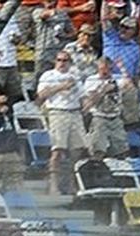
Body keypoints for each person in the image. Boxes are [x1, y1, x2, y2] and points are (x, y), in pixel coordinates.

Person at [37, 50, 87, 196]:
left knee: (77, 152)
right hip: (57, 112)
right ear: (55, 61)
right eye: (59, 60)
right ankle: (53, 185)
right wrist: (61, 87)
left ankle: (72, 184)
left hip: (75, 112)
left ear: (70, 62)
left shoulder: (75, 77)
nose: (62, 63)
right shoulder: (48, 76)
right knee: (57, 151)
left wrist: (90, 103)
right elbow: (41, 95)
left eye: (65, 60)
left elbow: (82, 96)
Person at [83, 56, 129, 158]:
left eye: (107, 69)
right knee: (98, 149)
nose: (104, 72)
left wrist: (122, 68)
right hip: (99, 117)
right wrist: (104, 90)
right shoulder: (91, 80)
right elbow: (91, 101)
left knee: (121, 150)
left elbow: (128, 84)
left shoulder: (116, 79)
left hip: (115, 117)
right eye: (101, 69)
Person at [32, 0, 71, 77]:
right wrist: (54, 11)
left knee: (58, 78)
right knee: (40, 79)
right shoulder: (37, 11)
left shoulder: (63, 14)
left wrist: (63, 35)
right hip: (43, 53)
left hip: (58, 54)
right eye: (47, 0)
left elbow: (72, 32)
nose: (49, 2)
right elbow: (43, 15)